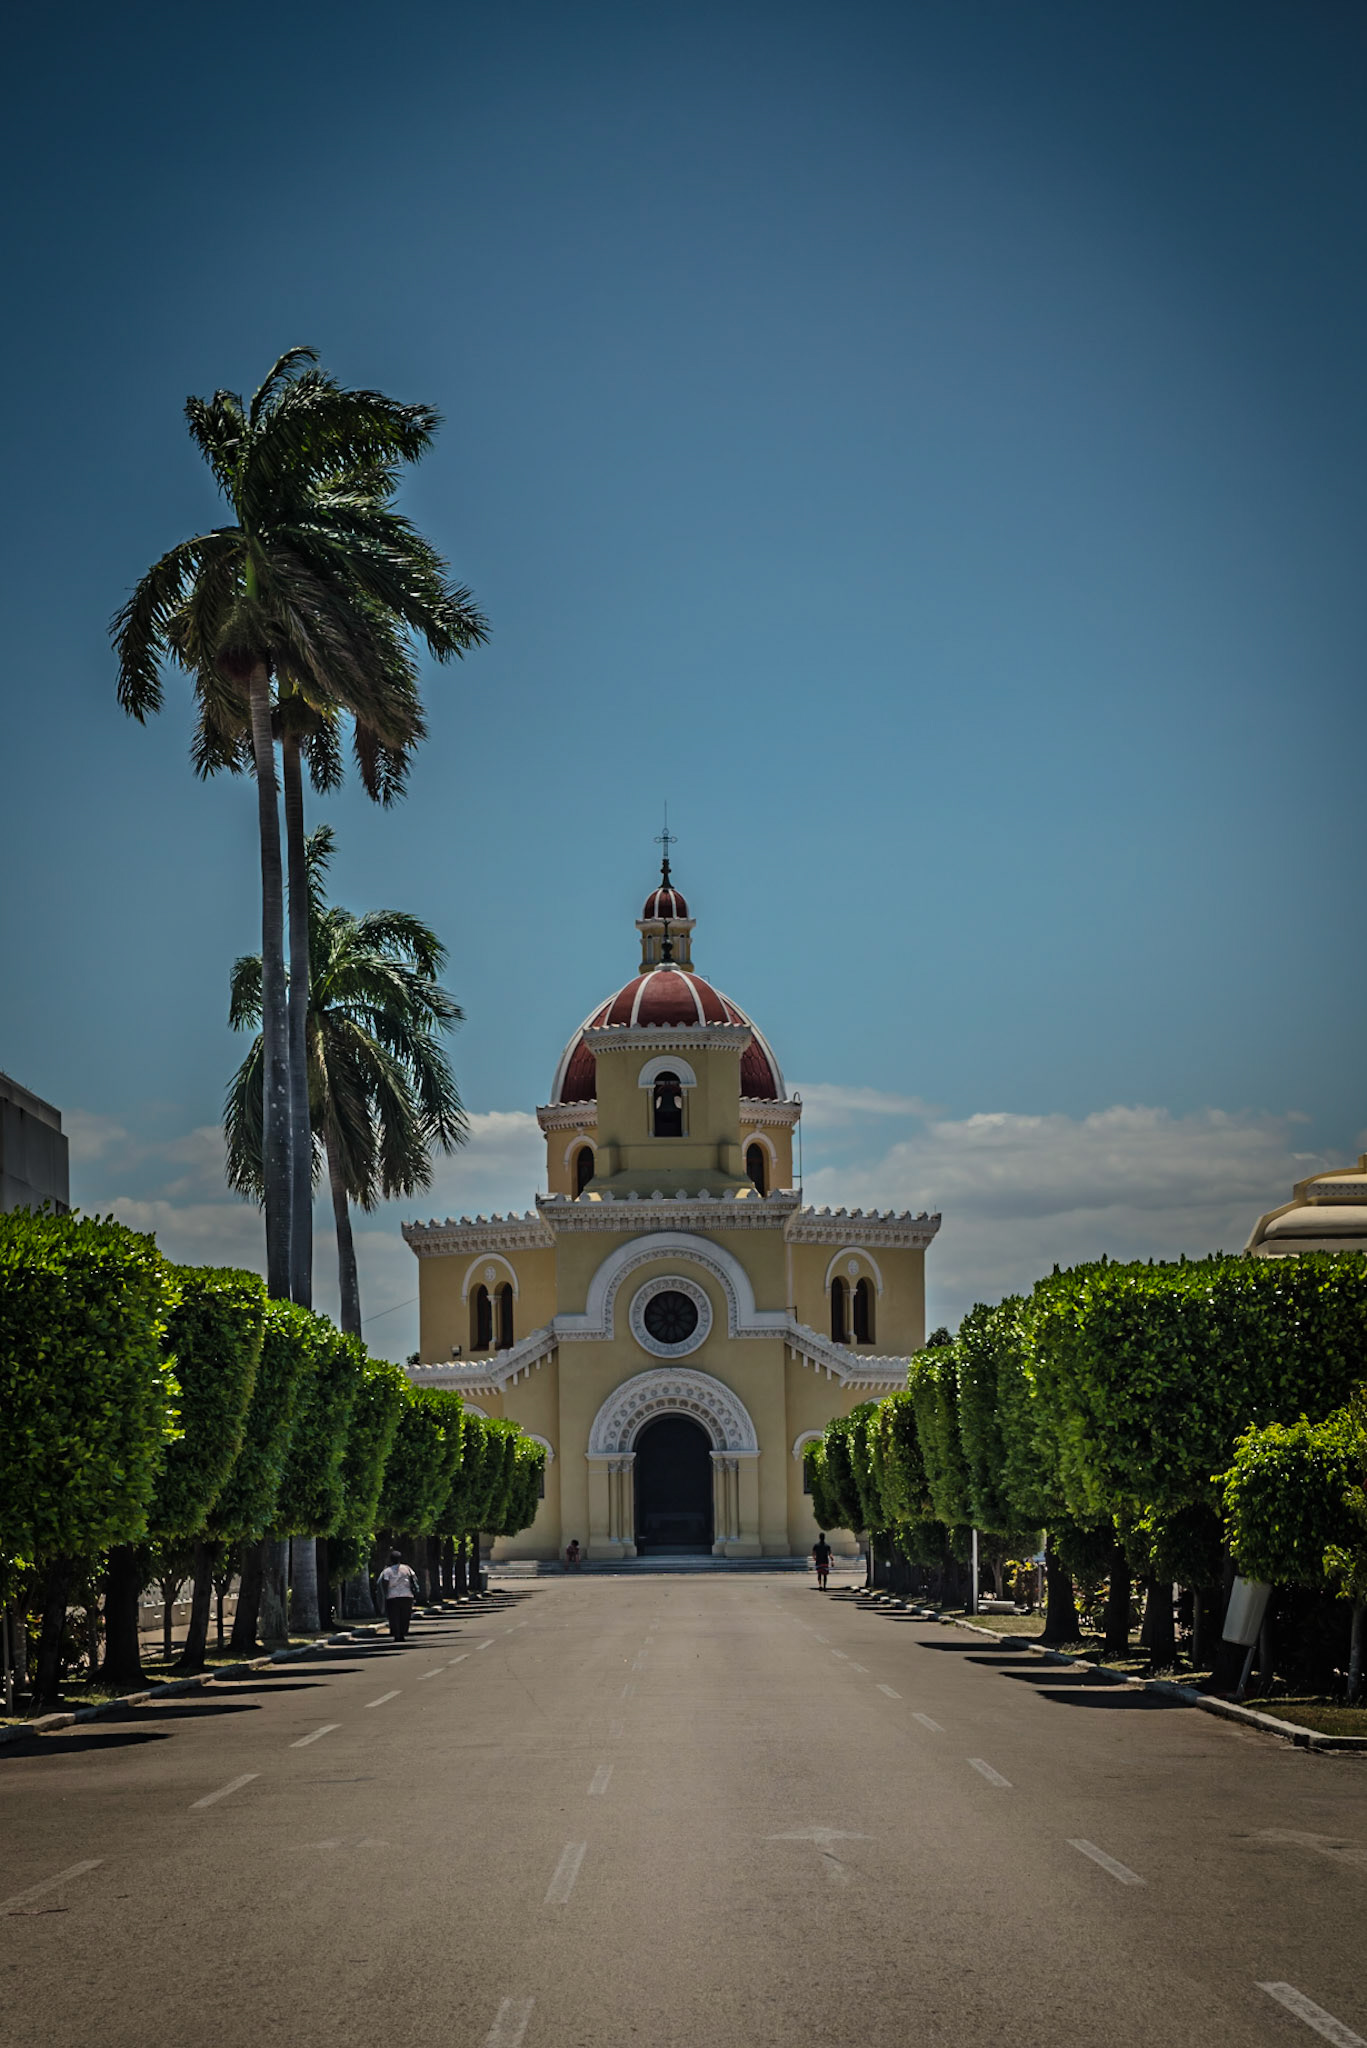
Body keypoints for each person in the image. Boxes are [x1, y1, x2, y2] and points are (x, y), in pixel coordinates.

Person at [377, 1549, 419, 1639]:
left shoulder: (387, 1571)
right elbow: (414, 1579)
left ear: (391, 1559)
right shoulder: (407, 1568)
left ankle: (396, 1634)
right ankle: (403, 1633)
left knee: (394, 1616)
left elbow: (385, 1583)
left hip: (392, 1596)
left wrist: (385, 1594)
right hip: (407, 1595)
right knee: (405, 1616)